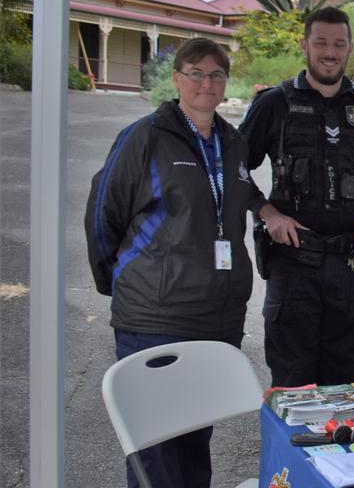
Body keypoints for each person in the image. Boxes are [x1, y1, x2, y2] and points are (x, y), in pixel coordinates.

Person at [85, 38, 255, 488]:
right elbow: (103, 213)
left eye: (216, 74)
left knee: (195, 441)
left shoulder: (232, 142)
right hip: (154, 317)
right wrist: (121, 282)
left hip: (215, 318)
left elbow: (236, 195)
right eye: (196, 73)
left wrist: (271, 212)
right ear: (177, 78)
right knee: (155, 452)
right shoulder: (144, 137)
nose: (206, 82)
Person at [239, 6, 354, 387]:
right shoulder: (274, 104)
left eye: (339, 44)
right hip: (293, 267)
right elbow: (234, 169)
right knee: (293, 386)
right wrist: (267, 212)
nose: (330, 52)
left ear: (349, 49)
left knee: (344, 388)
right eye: (321, 43)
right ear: (305, 45)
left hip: (351, 269)